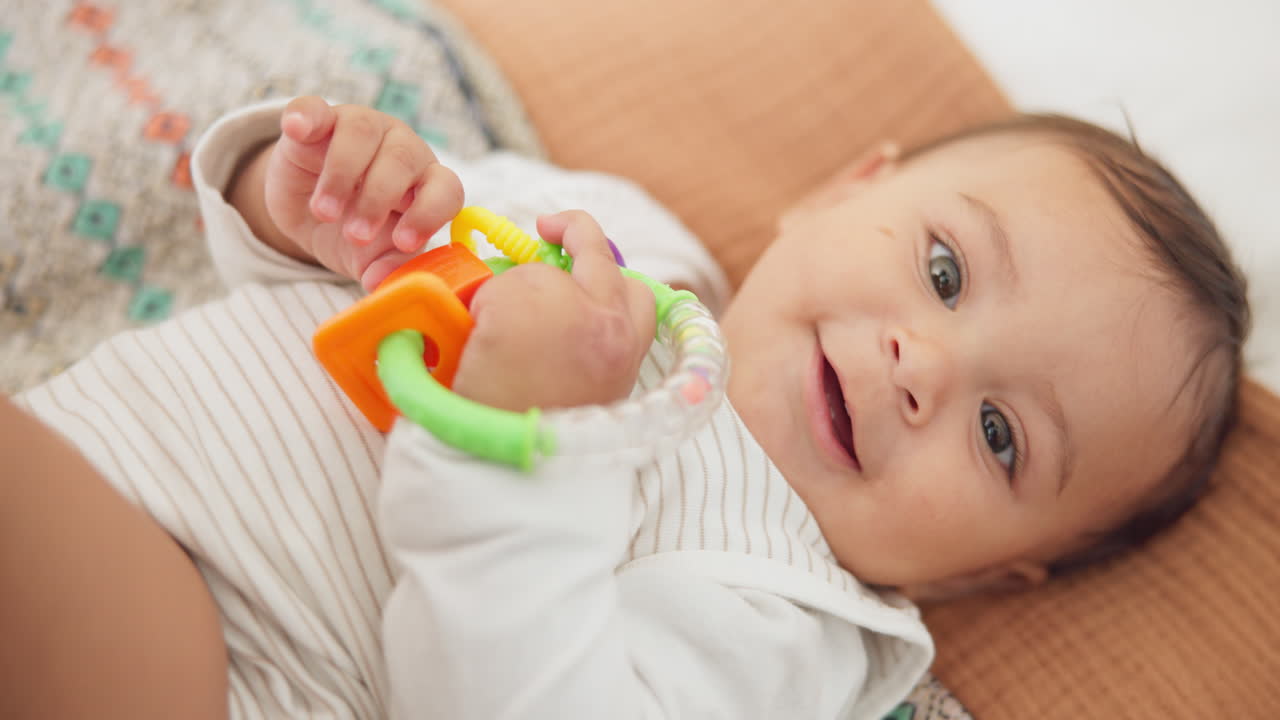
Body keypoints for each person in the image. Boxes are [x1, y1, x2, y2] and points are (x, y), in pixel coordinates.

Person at [1, 95, 1248, 718]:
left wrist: (521, 441)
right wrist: (310, 194)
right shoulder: (617, 237)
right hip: (96, 450)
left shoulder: (789, 616)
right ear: (831, 194)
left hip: (219, 661)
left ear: (988, 575)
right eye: (943, 271)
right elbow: (335, 272)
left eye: (998, 436)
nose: (922, 364)